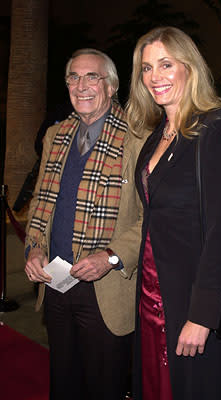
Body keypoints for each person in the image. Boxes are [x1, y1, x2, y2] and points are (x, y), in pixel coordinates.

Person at [126, 27, 221, 399]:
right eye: (146, 68)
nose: (154, 77)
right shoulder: (156, 134)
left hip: (188, 298)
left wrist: (202, 314)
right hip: (149, 293)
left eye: (165, 64)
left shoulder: (218, 125)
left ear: (189, 67)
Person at [24, 48, 146, 400]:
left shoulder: (137, 139)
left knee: (104, 385)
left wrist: (109, 257)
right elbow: (41, 202)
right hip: (56, 281)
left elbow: (151, 218)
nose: (82, 85)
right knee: (64, 381)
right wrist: (33, 248)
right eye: (74, 77)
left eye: (92, 76)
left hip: (107, 290)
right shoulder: (55, 135)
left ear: (111, 86)